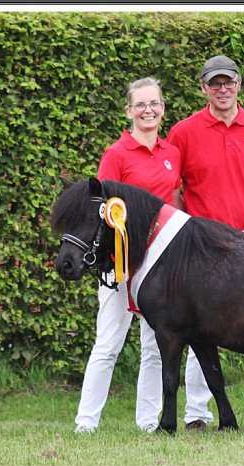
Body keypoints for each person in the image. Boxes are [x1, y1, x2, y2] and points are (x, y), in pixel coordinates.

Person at [166, 55, 244, 430]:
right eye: (214, 83)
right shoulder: (183, 133)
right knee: (197, 330)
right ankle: (197, 414)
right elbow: (173, 191)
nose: (222, 89)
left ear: (239, 84)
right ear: (202, 87)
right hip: (204, 249)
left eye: (228, 82)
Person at [75, 77, 182, 434]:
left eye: (154, 104)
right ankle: (86, 423)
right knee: (108, 343)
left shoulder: (172, 154)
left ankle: (149, 423)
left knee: (155, 345)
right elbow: (103, 210)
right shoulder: (116, 154)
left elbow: (174, 205)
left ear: (163, 109)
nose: (147, 110)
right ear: (129, 111)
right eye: (140, 105)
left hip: (160, 266)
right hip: (120, 263)